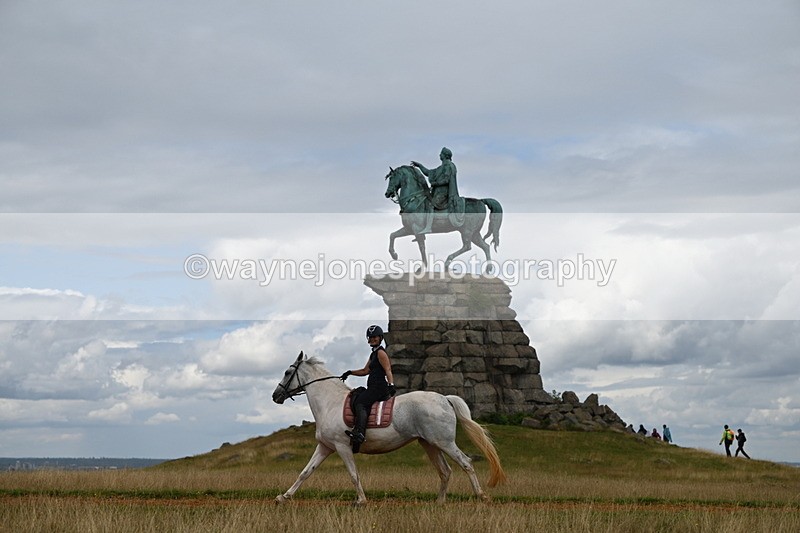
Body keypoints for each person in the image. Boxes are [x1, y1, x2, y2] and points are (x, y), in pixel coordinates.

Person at [340, 325, 396, 451]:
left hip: (379, 387)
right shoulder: (373, 354)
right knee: (358, 397)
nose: (372, 339)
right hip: (373, 387)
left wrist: (391, 385)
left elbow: (388, 369)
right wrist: (350, 372)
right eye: (370, 337)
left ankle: (360, 433)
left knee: (361, 401)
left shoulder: (381, 353)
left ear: (380, 338)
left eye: (375, 337)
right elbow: (366, 371)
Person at [411, 147, 465, 228]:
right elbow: (429, 172)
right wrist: (420, 166)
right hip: (438, 192)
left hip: (444, 193)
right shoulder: (442, 166)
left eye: (441, 153)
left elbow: (446, 180)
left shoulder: (448, 165)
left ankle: (428, 227)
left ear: (445, 155)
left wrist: (435, 183)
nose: (439, 155)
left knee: (430, 204)